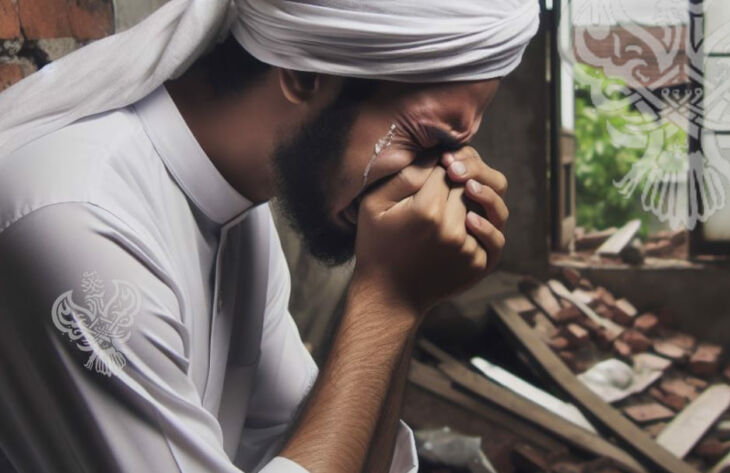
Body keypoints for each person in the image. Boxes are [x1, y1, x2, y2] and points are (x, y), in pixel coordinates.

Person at [0, 1, 539, 472]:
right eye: (425, 139)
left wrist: (407, 301)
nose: (433, 182)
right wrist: (387, 301)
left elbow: (332, 451)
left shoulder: (239, 210)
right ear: (306, 71)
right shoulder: (82, 224)